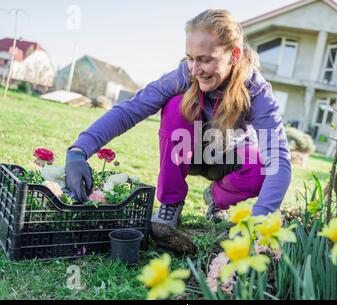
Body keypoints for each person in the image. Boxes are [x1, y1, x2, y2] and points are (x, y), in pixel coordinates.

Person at [65, 9, 292, 252]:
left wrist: (257, 223)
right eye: (190, 58)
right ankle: (171, 204)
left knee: (260, 166)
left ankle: (217, 198)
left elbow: (278, 159)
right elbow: (130, 110)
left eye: (205, 59)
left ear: (234, 54)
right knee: (175, 106)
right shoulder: (184, 75)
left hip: (227, 156)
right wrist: (79, 150)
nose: (195, 69)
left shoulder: (257, 92)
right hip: (186, 150)